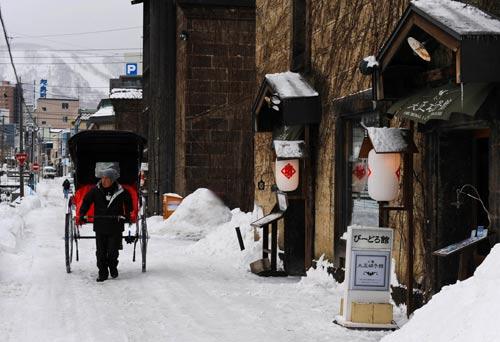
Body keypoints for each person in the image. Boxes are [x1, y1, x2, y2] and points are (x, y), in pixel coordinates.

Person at [79, 162, 132, 282]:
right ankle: (102, 272)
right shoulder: (95, 190)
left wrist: (127, 215)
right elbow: (86, 202)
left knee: (113, 252)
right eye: (102, 178)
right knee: (101, 252)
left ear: (112, 179)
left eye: (107, 178)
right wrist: (82, 214)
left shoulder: (121, 191)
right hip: (100, 225)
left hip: (115, 225)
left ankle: (113, 267)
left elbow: (128, 204)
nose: (104, 181)